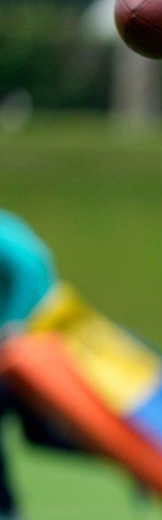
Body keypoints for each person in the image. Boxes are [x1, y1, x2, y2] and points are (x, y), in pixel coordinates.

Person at [0, 210, 82, 520]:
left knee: (44, 429)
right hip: (21, 349)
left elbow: (33, 265)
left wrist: (14, 327)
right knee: (38, 432)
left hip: (34, 347)